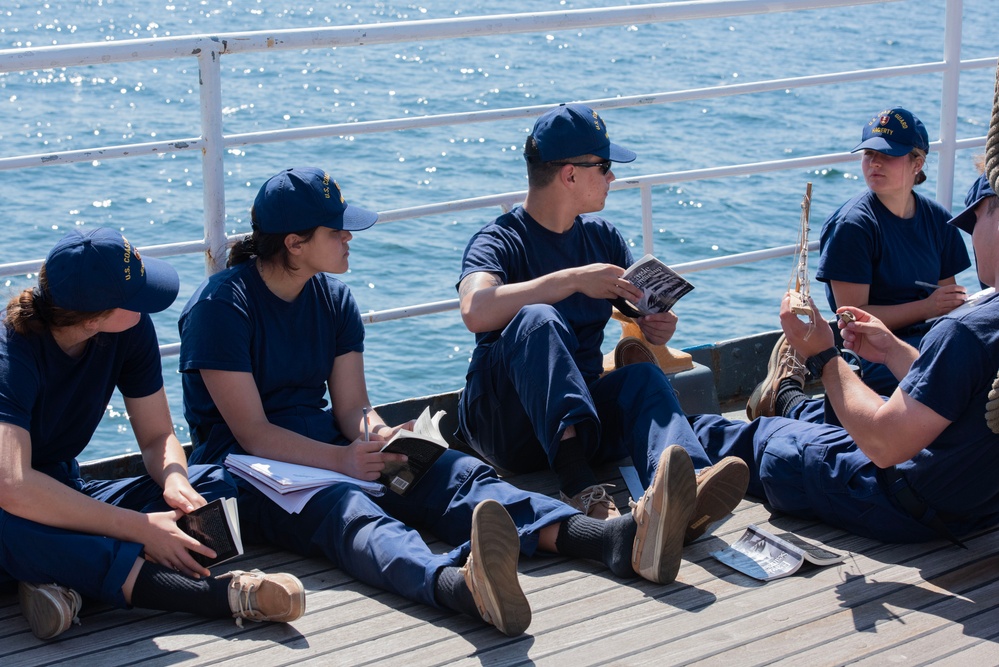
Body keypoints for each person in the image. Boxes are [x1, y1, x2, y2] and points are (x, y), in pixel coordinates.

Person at [178, 166, 702, 639]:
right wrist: (341, 461)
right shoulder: (224, 306)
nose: (349, 238)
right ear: (294, 242)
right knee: (347, 508)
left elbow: (351, 410)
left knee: (452, 472)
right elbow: (250, 433)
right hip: (247, 469)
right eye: (336, 231)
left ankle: (606, 538)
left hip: (322, 446)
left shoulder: (333, 298)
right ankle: (454, 584)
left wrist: (380, 436)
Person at [455, 103, 748, 537]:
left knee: (644, 377)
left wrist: (657, 324)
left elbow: (638, 307)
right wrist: (572, 280)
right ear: (570, 174)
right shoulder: (499, 240)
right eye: (604, 167)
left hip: (581, 420)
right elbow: (474, 310)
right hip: (507, 430)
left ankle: (688, 486)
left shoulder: (603, 238)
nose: (613, 178)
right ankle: (581, 490)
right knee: (538, 318)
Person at [0, 228, 305, 641]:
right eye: (136, 297)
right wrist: (139, 528)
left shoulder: (128, 330)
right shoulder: (10, 355)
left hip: (63, 486)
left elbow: (158, 436)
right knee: (14, 526)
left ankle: (68, 585)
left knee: (213, 483)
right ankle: (221, 596)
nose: (147, 306)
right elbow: (14, 486)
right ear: (93, 319)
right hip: (9, 506)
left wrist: (174, 478)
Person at [675, 172, 999, 543]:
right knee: (847, 408)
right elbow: (955, 392)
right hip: (974, 508)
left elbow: (882, 445)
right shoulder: (982, 326)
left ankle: (652, 419)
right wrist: (892, 349)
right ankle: (786, 398)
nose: (971, 238)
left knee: (751, 436)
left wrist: (825, 356)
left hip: (894, 499)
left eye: (975, 221)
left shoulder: (966, 330)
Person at [811, 106, 970, 398]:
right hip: (873, 354)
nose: (875, 163)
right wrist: (927, 308)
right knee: (950, 387)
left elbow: (948, 302)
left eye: (888, 155)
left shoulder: (938, 220)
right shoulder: (853, 226)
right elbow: (851, 320)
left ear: (917, 163)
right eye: (869, 154)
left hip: (930, 341)